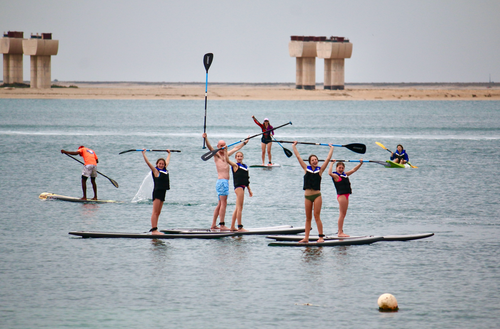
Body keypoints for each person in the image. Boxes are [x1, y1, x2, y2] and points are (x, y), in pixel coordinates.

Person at [203, 133, 246, 231]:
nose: (223, 147)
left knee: (220, 204)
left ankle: (213, 224)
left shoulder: (226, 155)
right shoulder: (217, 155)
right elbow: (210, 148)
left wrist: (244, 143)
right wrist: (206, 139)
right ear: (218, 147)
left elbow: (235, 149)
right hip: (222, 182)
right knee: (223, 203)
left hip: (223, 182)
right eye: (221, 146)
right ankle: (222, 225)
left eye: (224, 145)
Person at [292, 141, 334, 243]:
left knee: (317, 216)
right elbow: (298, 157)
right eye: (313, 160)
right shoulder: (306, 168)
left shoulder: (320, 170)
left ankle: (321, 237)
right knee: (308, 218)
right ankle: (306, 238)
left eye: (316, 160)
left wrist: (331, 148)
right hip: (307, 197)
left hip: (317, 196)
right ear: (310, 162)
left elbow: (328, 159)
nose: (315, 161)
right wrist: (294, 146)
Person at [328, 160, 363, 237]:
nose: (341, 169)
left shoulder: (345, 174)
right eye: (339, 168)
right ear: (336, 168)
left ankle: (341, 231)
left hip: (346, 195)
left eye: (342, 168)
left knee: (344, 214)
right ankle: (340, 232)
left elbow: (353, 170)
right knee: (341, 214)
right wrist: (331, 163)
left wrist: (360, 163)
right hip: (341, 196)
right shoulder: (336, 176)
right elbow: (329, 173)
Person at [142, 149, 171, 235]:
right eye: (160, 164)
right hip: (157, 193)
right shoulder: (156, 171)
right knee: (155, 212)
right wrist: (144, 154)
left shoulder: (165, 170)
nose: (161, 165)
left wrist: (169, 153)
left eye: (162, 164)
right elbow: (148, 163)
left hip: (163, 193)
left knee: (158, 212)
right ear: (157, 164)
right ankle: (154, 230)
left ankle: (156, 228)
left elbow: (167, 161)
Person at [225, 149, 253, 231]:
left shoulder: (245, 167)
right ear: (235, 158)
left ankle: (232, 227)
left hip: (243, 187)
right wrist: (226, 151)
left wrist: (249, 190)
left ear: (243, 157)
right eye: (238, 156)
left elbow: (246, 179)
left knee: (238, 208)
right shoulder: (235, 165)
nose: (239, 157)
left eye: (240, 156)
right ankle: (240, 227)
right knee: (240, 207)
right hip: (238, 187)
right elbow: (227, 160)